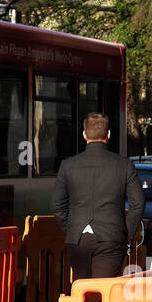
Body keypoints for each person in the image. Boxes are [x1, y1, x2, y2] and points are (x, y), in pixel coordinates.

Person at [52, 111, 142, 279]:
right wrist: (125, 232)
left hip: (77, 240)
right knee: (104, 293)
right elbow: (138, 203)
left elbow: (57, 205)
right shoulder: (124, 165)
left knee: (82, 292)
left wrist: (72, 228)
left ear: (84, 134)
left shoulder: (68, 165)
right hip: (112, 238)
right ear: (108, 135)